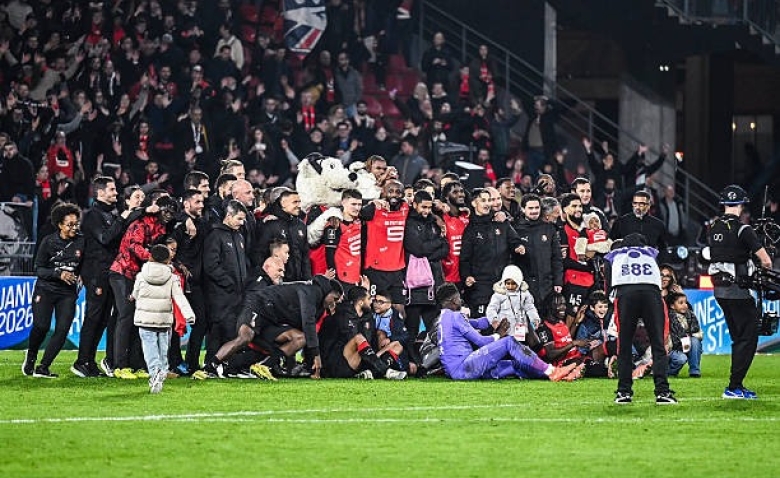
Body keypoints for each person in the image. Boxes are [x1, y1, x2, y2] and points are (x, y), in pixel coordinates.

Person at [198, 276, 344, 380]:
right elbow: (308, 323)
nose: (334, 303)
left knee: (300, 338)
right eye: (335, 299)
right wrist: (316, 356)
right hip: (258, 305)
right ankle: (209, 367)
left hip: (270, 322)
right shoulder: (311, 291)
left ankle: (265, 366)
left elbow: (308, 332)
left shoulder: (319, 306)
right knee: (245, 337)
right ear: (327, 291)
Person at [706, 185, 773, 399]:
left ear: (724, 204)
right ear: (742, 205)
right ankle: (734, 386)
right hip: (738, 291)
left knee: (739, 338)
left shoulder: (713, 226)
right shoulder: (744, 229)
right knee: (749, 337)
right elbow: (766, 261)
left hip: (719, 291)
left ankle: (735, 385)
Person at [435, 283, 578, 381]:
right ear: (453, 300)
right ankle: (552, 371)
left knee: (514, 364)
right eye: (459, 298)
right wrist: (499, 334)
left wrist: (502, 314)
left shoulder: (444, 318)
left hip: (460, 370)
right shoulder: (455, 316)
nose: (461, 300)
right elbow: (480, 341)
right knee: (509, 342)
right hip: (465, 367)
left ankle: (557, 375)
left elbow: (479, 323)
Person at [73, 177, 142, 378]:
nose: (115, 192)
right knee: (93, 318)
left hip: (109, 273)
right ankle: (81, 361)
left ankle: (90, 361)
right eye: (111, 189)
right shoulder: (92, 216)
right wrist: (123, 216)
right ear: (100, 193)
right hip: (96, 274)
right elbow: (105, 238)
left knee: (103, 319)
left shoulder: (109, 214)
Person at [605, 233, 677, 405]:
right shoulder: (650, 254)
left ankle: (624, 391)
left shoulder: (616, 255)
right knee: (658, 344)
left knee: (624, 344)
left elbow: (608, 283)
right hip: (651, 295)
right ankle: (663, 391)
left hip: (626, 294)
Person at [23, 203, 84, 378]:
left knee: (63, 330)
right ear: (59, 225)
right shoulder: (49, 241)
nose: (74, 227)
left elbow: (86, 263)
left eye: (76, 223)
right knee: (41, 326)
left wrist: (83, 276)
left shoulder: (81, 241)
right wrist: (58, 273)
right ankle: (32, 354)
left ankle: (44, 367)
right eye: (70, 224)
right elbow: (39, 269)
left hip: (68, 293)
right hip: (46, 289)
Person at [132, 245, 195, 393]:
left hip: (145, 319)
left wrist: (133, 297)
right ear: (168, 260)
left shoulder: (141, 275)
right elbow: (179, 297)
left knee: (149, 349)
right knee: (162, 349)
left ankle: (155, 374)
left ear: (150, 257)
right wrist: (189, 315)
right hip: (164, 319)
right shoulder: (172, 278)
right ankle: (163, 370)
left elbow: (135, 294)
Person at [459, 188, 524, 316]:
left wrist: (518, 246)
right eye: (483, 200)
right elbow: (465, 258)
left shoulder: (500, 223)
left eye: (489, 200)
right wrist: (467, 276)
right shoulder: (470, 229)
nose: (487, 204)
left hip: (501, 284)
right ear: (473, 203)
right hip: (480, 286)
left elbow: (514, 240)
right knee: (483, 324)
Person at [318, 286, 407, 380]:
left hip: (364, 358)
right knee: (358, 338)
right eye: (368, 299)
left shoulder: (368, 317)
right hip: (341, 362)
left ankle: (370, 372)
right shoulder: (342, 315)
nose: (371, 302)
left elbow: (371, 341)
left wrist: (383, 347)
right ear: (361, 302)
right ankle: (386, 371)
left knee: (396, 345)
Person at [203, 200, 249, 358]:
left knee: (233, 332)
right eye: (239, 219)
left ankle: (228, 365)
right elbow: (210, 265)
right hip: (220, 295)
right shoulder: (215, 235)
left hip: (237, 294)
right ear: (228, 216)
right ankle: (210, 365)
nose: (242, 223)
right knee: (217, 331)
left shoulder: (239, 236)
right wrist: (228, 284)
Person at [403, 190, 449, 336]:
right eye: (423, 207)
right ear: (415, 204)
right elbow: (418, 249)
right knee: (413, 328)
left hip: (435, 281)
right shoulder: (409, 223)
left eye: (429, 208)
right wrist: (438, 242)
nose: (427, 211)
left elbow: (445, 249)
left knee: (434, 327)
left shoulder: (434, 221)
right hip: (416, 284)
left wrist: (428, 254)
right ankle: (412, 358)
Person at [514, 193, 563, 305]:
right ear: (523, 209)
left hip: (546, 285)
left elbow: (556, 257)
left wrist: (558, 282)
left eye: (537, 208)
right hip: (524, 285)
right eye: (530, 208)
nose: (534, 211)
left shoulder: (549, 229)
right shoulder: (515, 229)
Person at [485, 265, 541, 343]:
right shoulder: (499, 294)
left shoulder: (524, 293)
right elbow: (491, 309)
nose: (510, 286)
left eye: (513, 283)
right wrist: (494, 320)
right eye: (508, 283)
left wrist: (534, 318)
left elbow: (530, 307)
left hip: (521, 330)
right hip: (505, 331)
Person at [666, 292, 703, 378]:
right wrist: (683, 339)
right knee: (681, 359)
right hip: (673, 347)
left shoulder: (691, 315)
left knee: (695, 341)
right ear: (672, 306)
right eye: (680, 303)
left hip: (686, 345)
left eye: (685, 302)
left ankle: (694, 371)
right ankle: (670, 372)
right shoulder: (668, 318)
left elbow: (699, 333)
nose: (684, 305)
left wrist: (688, 338)